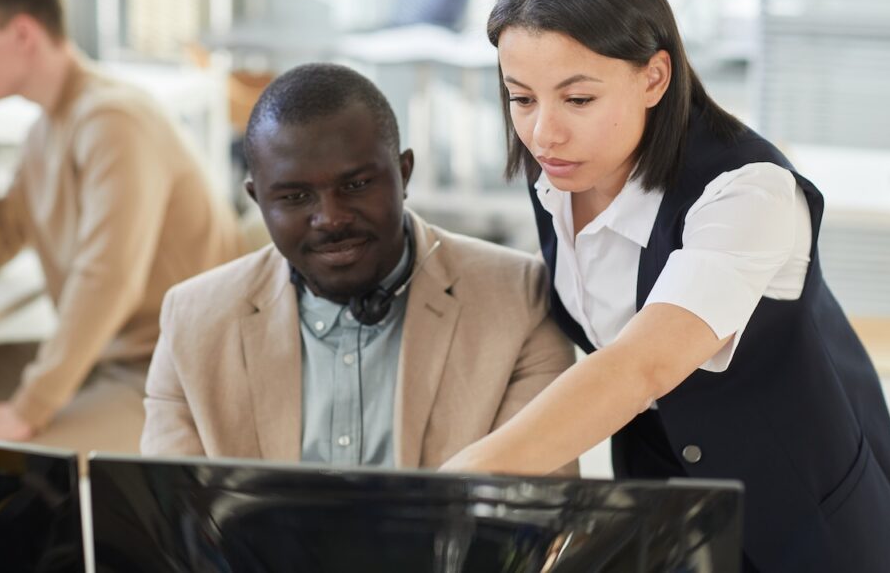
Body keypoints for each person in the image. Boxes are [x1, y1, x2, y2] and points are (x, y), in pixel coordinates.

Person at [439, 0, 890, 572]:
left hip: (804, 521)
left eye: (577, 99)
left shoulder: (747, 191)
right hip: (667, 513)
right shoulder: (563, 169)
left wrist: (454, 482)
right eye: (521, 98)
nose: (544, 131)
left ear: (655, 76)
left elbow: (640, 366)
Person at [0, 0, 241, 451]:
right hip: (103, 359)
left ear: (24, 35)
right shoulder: (45, 132)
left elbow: (107, 278)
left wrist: (27, 408)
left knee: (23, 466)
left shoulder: (113, 121)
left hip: (166, 375)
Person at [141, 63, 577, 469]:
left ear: (404, 174)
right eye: (294, 197)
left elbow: (532, 520)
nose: (330, 217)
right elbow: (180, 526)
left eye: (356, 185)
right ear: (258, 201)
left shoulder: (521, 299)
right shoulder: (192, 321)